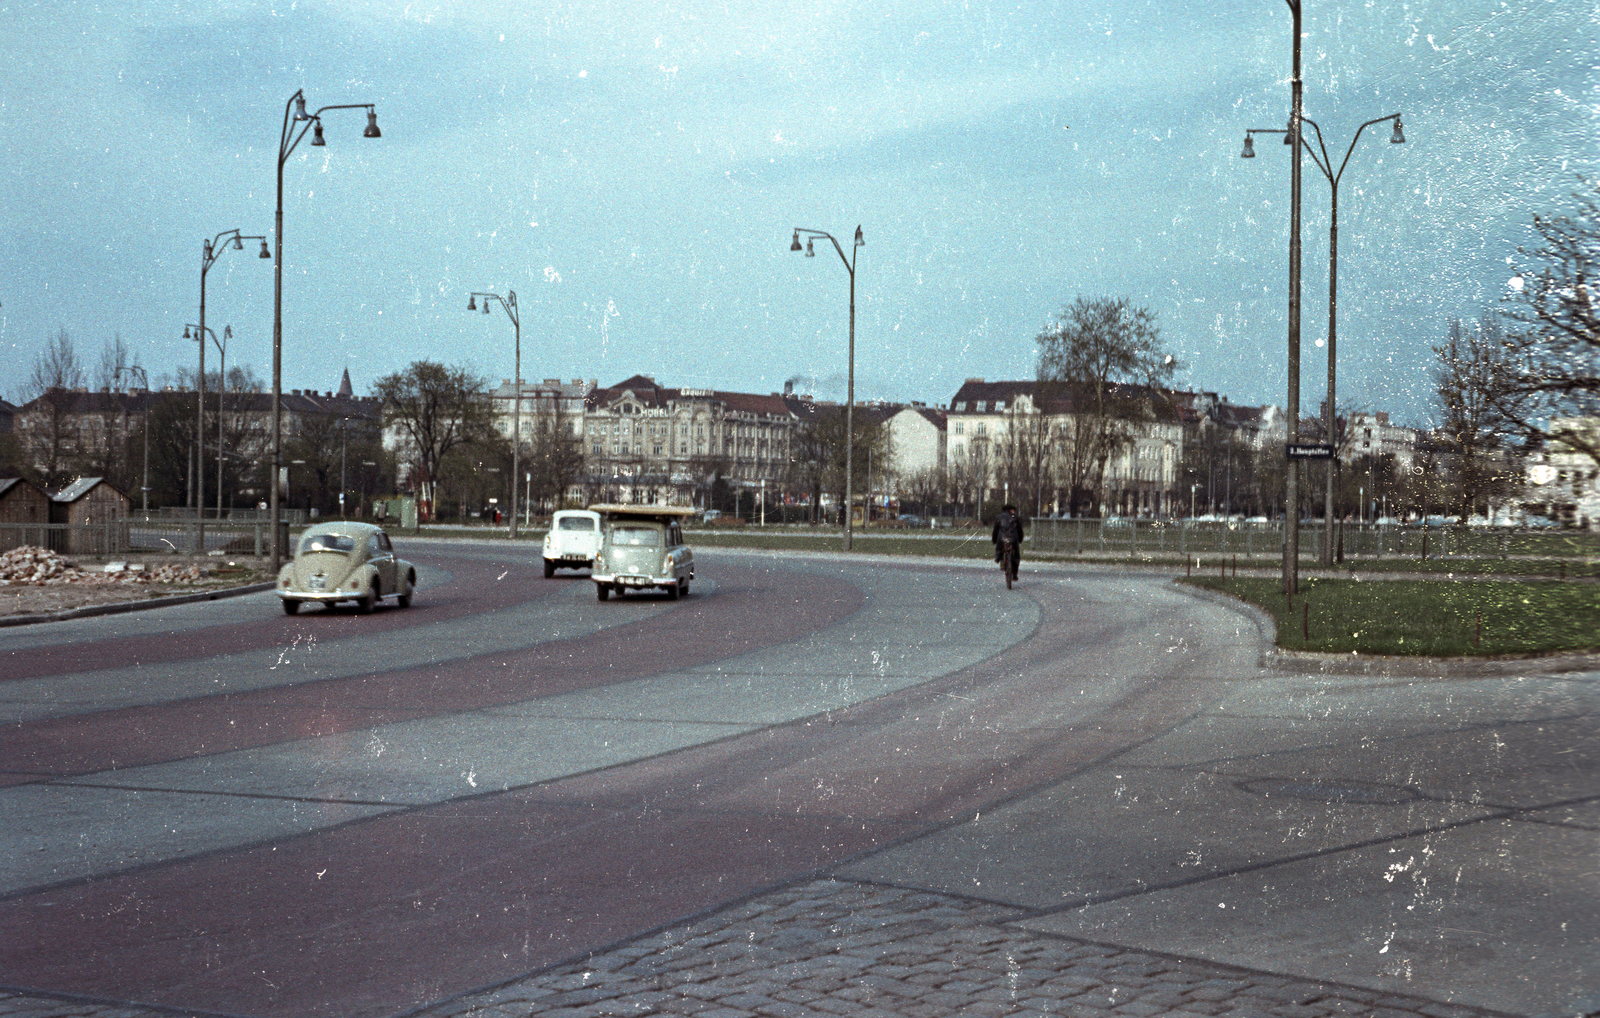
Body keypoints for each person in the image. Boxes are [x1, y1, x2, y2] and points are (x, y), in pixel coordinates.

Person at [991, 504, 1024, 583]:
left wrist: (994, 540)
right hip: (1013, 539)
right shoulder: (1016, 517)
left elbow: (995, 530)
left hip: (1001, 539)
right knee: (1016, 556)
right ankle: (1015, 574)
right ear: (1011, 510)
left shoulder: (999, 517)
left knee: (999, 549)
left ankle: (999, 558)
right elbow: (1020, 531)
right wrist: (1020, 540)